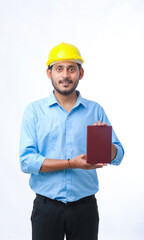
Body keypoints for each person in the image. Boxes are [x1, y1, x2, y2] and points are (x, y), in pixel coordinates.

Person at [19, 42, 124, 240]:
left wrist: (106, 146)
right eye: (59, 69)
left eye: (71, 69)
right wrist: (71, 164)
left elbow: (118, 155)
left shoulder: (95, 110)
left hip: (85, 208)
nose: (65, 75)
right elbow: (27, 161)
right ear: (49, 73)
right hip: (46, 208)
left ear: (80, 73)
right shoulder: (34, 112)